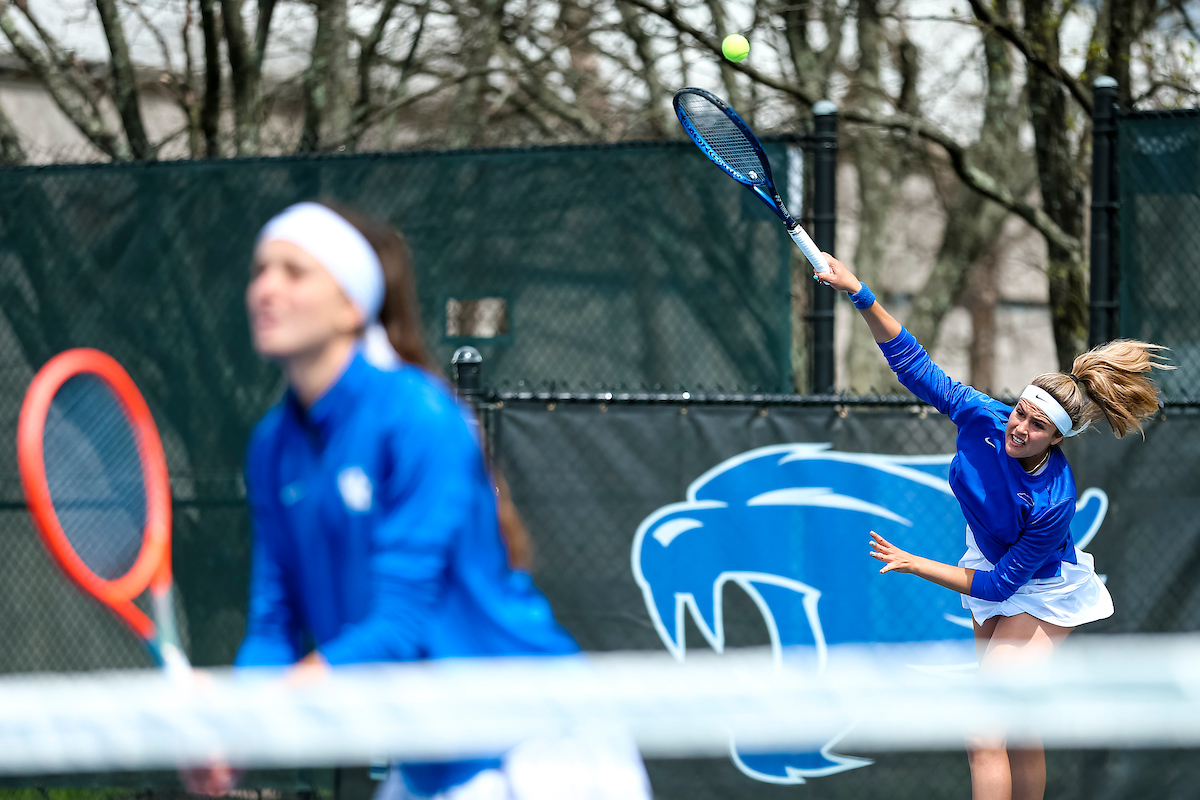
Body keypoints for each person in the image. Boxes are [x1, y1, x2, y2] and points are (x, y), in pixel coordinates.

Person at [192, 201, 650, 799]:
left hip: (544, 752)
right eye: (260, 270)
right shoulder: (271, 446)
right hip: (432, 761)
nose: (265, 289)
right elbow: (274, 623)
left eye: (294, 272)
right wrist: (233, 733)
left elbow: (399, 625)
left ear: (351, 306)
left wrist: (251, 714)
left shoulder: (417, 415)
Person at [815, 254, 1170, 800]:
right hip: (990, 558)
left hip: (1043, 587)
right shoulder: (985, 416)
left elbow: (1004, 587)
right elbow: (915, 366)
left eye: (1036, 424)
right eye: (1021, 411)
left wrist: (914, 563)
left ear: (1057, 439)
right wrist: (860, 291)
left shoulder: (1055, 501)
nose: (1019, 426)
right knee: (1016, 728)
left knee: (984, 728)